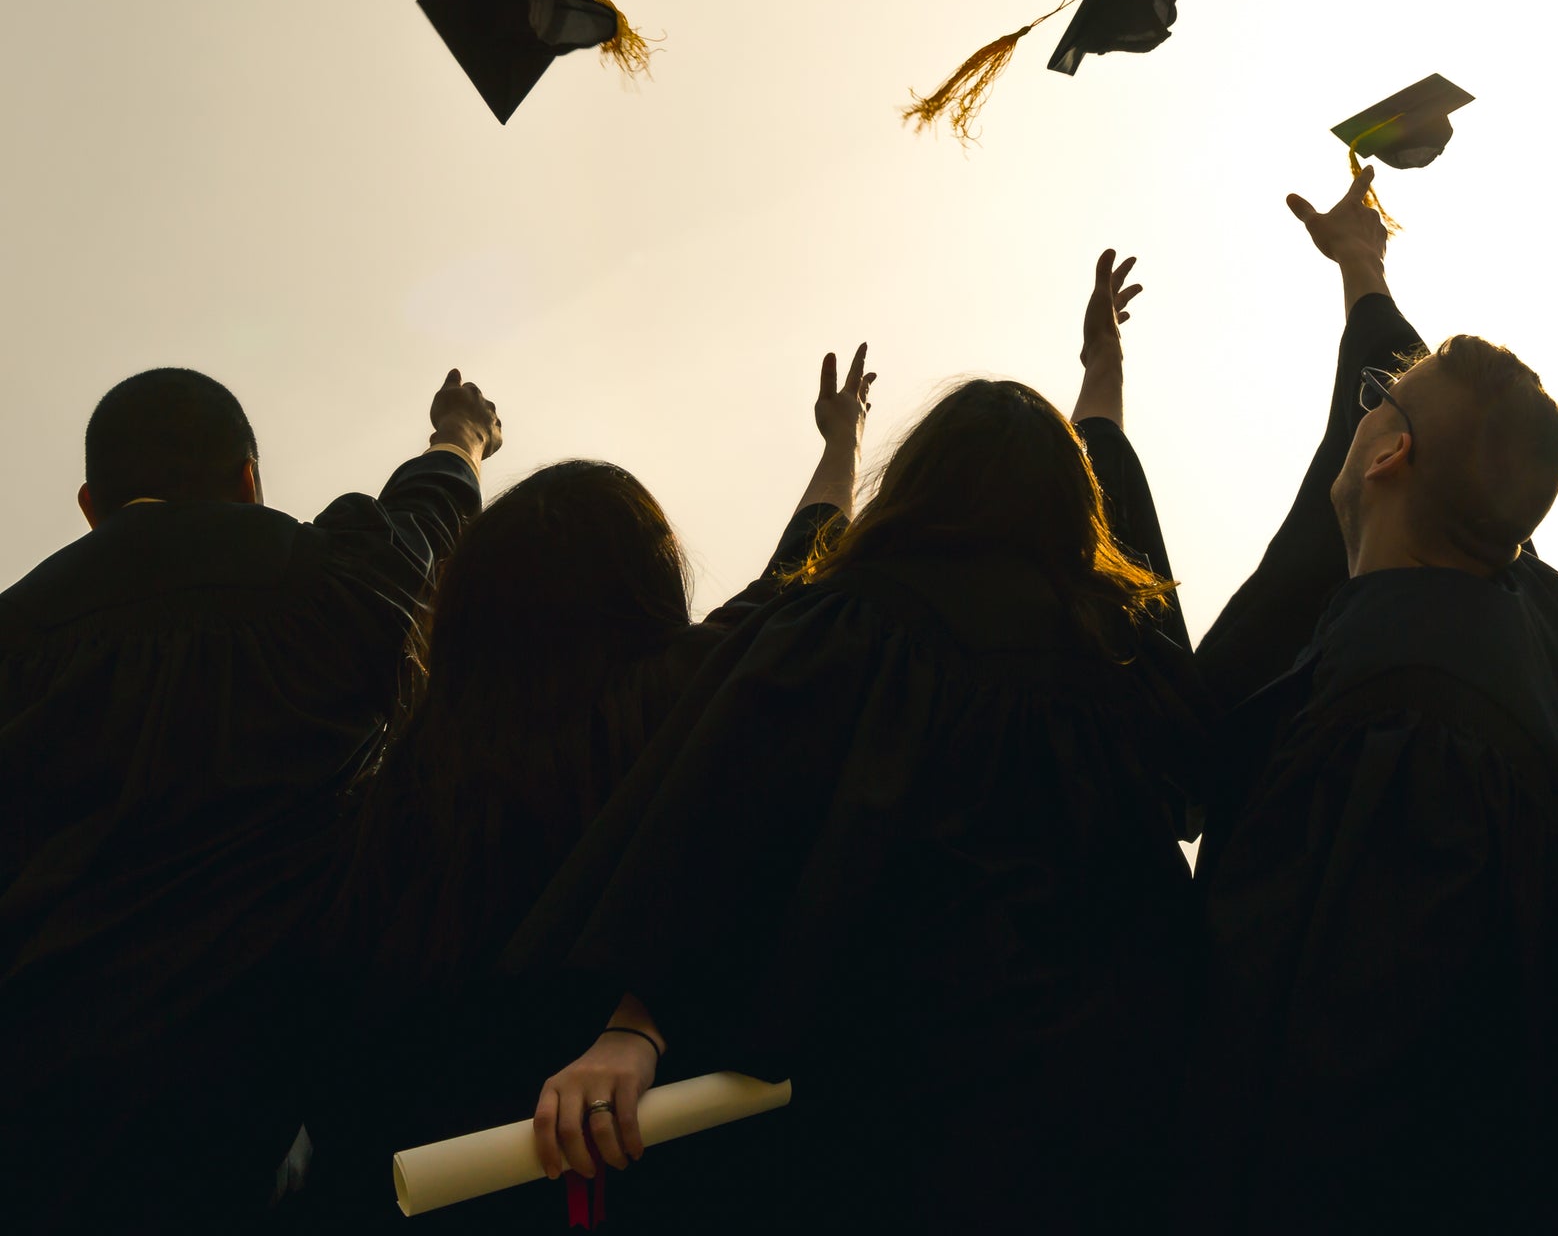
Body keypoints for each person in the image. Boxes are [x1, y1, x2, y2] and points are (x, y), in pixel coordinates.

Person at [516, 251, 1209, 1234]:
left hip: (896, 1107)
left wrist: (637, 1023)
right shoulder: (1120, 653)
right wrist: (1103, 374)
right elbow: (1187, 773)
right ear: (1074, 504)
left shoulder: (850, 623)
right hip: (1120, 1118)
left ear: (918, 482)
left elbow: (730, 812)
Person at [296, 348, 877, 1232]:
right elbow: (801, 572)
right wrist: (843, 445)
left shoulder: (414, 769)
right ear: (647, 579)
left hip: (440, 1165)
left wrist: (456, 443)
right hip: (648, 1152)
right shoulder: (692, 698)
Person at [1189, 167, 1558, 1232]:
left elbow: (1345, 1098)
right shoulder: (1530, 644)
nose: (1358, 417)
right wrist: (1363, 268)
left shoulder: (1400, 732)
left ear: (1389, 450)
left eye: (1379, 406)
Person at [0, 364, 499, 1232]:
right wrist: (459, 436)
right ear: (248, 479)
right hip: (255, 1119)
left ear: (89, 506)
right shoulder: (328, 578)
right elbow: (427, 528)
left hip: (30, 1117)